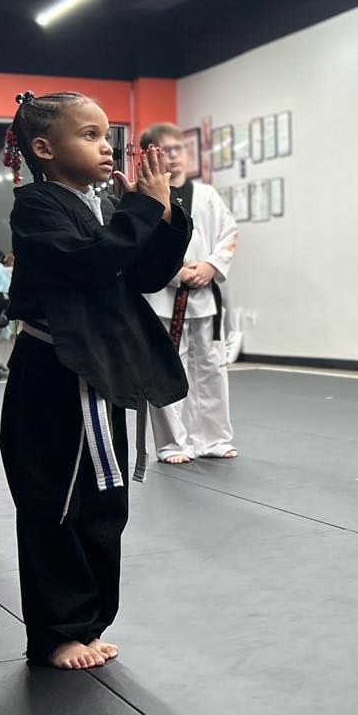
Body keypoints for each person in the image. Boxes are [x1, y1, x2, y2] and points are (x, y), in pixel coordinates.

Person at [1, 92, 191, 670]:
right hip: (53, 376)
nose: (106, 146)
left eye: (107, 135)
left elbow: (146, 273)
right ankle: (56, 632)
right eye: (89, 135)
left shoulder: (103, 204)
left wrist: (162, 212)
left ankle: (89, 620)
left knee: (104, 500)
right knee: (55, 500)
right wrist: (140, 212)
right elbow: (88, 261)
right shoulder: (36, 206)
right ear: (44, 148)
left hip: (99, 370)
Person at [138, 122, 239, 464]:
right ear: (150, 155)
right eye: (165, 150)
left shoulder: (208, 195)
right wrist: (173, 271)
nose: (174, 156)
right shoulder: (143, 197)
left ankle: (214, 438)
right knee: (168, 368)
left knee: (212, 366)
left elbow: (229, 234)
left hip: (204, 295)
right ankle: (172, 443)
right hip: (162, 298)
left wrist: (211, 265)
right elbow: (139, 244)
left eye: (178, 149)